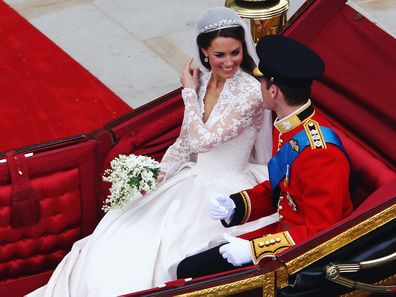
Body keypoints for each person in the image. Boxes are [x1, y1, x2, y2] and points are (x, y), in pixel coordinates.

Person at [27, 7, 276, 297]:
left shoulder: (251, 93)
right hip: (190, 179)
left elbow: (203, 141)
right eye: (220, 55)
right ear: (205, 53)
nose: (230, 61)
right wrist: (157, 177)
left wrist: (187, 93)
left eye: (235, 52)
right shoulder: (204, 82)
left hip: (225, 193)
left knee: (167, 255)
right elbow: (185, 142)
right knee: (124, 232)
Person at [177, 35, 354, 278]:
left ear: (273, 90)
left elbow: (323, 231)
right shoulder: (289, 127)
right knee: (190, 265)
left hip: (299, 256)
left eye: (261, 82)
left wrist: (255, 250)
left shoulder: (319, 153)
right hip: (285, 234)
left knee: (192, 272)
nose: (258, 87)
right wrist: (236, 205)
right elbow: (280, 189)